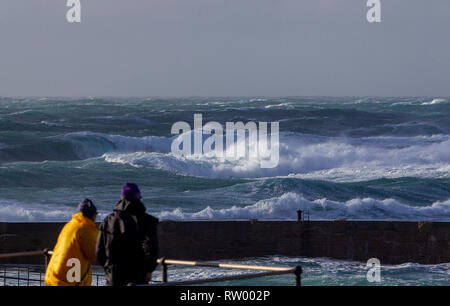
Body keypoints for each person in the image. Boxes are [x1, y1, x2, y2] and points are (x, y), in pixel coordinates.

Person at [96, 182, 159, 286]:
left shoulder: (108, 220)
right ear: (138, 197)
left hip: (114, 277)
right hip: (138, 276)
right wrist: (149, 269)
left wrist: (108, 270)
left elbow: (99, 251)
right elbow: (152, 247)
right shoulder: (146, 220)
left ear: (121, 198)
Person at [45, 199, 99, 286]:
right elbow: (93, 253)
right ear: (94, 215)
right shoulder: (86, 229)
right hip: (67, 281)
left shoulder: (70, 225)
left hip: (53, 276)